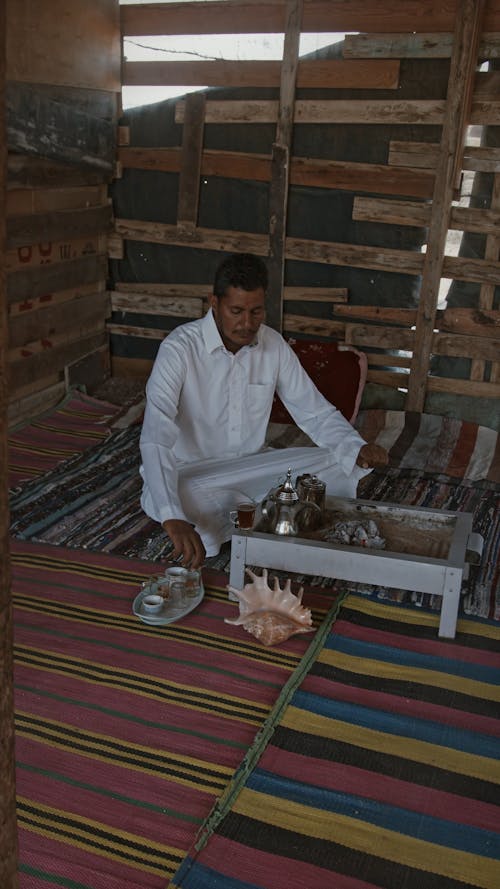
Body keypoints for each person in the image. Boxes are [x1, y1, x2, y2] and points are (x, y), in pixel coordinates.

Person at [140, 253, 388, 569]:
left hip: (253, 466)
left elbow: (314, 411)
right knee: (182, 500)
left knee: (335, 460)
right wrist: (172, 515)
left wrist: (355, 448)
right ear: (213, 302)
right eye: (237, 311)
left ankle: (256, 514)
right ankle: (269, 514)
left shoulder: (273, 345)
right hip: (191, 473)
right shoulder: (178, 349)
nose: (247, 323)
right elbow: (155, 438)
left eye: (256, 311)